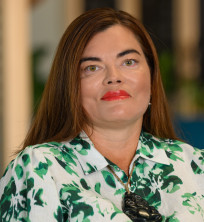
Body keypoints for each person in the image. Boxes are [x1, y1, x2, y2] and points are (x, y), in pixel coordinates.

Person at [0, 8, 203, 222]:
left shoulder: (196, 165)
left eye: (128, 62)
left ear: (152, 78)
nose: (113, 77)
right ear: (70, 86)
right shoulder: (40, 168)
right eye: (92, 67)